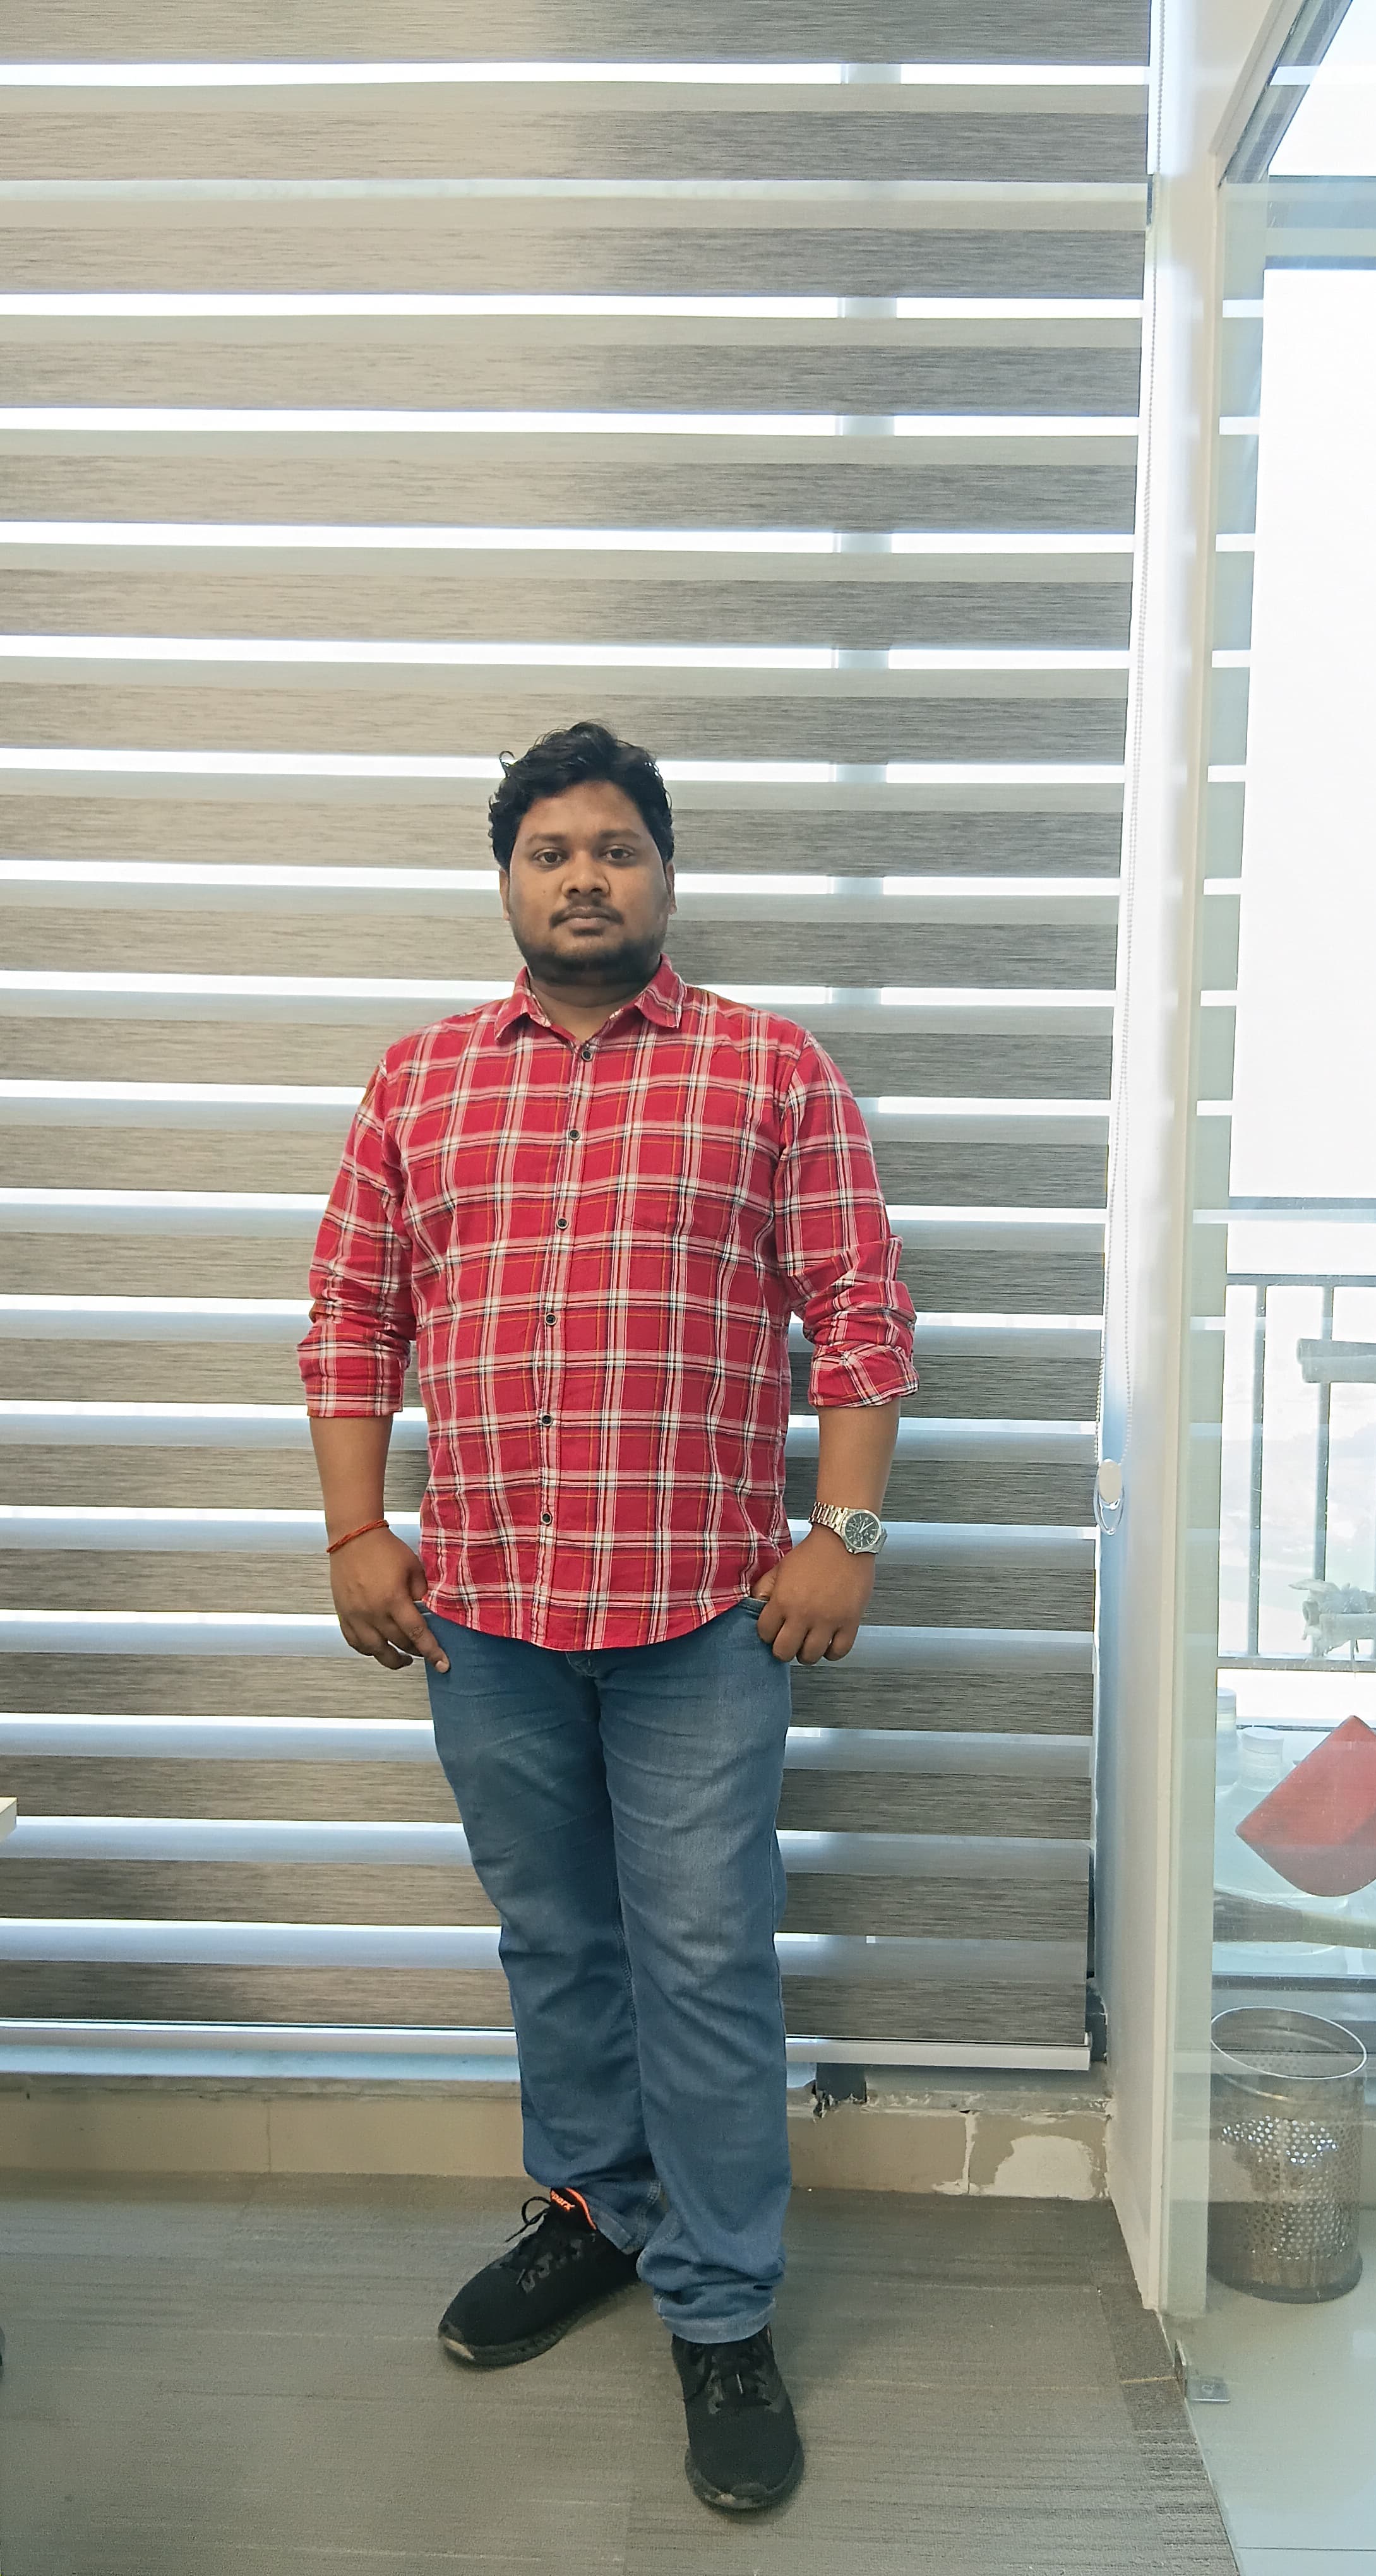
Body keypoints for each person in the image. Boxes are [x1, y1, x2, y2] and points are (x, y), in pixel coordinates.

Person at [299, 720, 916, 2515]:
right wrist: (356, 1528)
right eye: (551, 850)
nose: (585, 876)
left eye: (617, 847)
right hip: (486, 1613)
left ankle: (721, 2307)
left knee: (704, 1960)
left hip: (703, 1615)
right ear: (509, 881)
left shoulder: (769, 1070)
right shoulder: (418, 1081)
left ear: (664, 875)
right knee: (558, 1943)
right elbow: (353, 1316)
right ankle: (597, 2213)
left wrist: (844, 1533)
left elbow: (858, 1312)